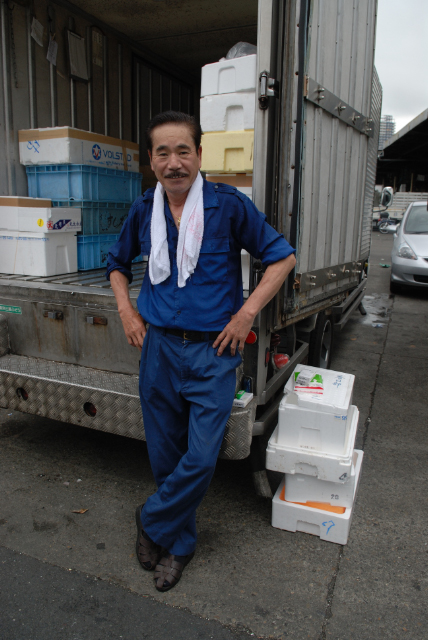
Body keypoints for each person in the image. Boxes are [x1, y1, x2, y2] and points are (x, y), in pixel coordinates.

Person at [106, 111, 296, 592]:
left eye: (183, 151)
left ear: (199, 155)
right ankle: (180, 545)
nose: (174, 162)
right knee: (165, 456)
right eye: (163, 153)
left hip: (213, 351)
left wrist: (246, 314)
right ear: (152, 161)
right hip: (159, 349)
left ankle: (151, 519)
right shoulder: (144, 208)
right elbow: (116, 264)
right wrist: (127, 311)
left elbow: (282, 257)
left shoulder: (227, 205)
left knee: (202, 456)